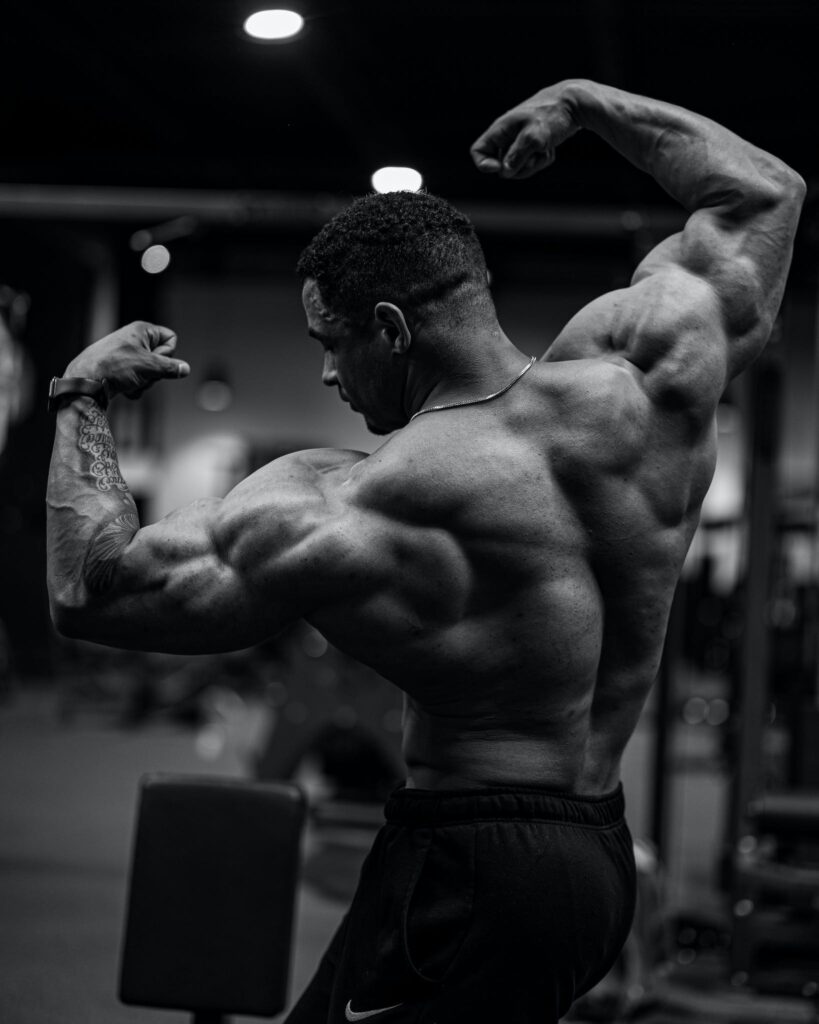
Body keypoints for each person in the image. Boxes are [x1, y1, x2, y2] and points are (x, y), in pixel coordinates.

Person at [46, 80, 804, 1023]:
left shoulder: (354, 498)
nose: (326, 371)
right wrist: (583, 104)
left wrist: (79, 396)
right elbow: (761, 193)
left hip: (471, 872)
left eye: (332, 342)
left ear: (395, 330)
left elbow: (89, 591)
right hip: (596, 860)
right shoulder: (644, 383)